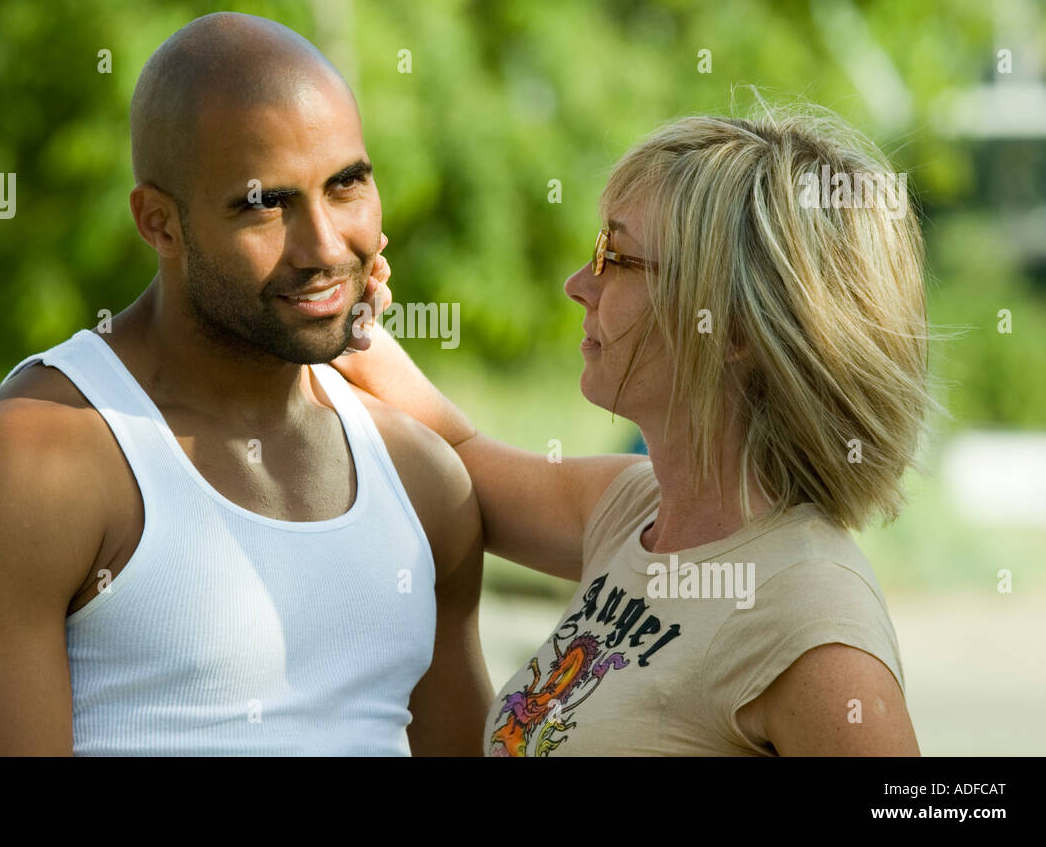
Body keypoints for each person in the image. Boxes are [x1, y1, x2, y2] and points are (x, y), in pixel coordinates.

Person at [0, 12, 492, 756]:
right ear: (159, 222)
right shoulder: (25, 469)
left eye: (346, 186)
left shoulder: (422, 478)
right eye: (264, 203)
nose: (324, 247)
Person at [336, 106, 931, 756]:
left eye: (614, 256)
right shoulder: (632, 509)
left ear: (731, 327)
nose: (577, 285)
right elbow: (453, 455)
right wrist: (338, 324)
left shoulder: (813, 621)